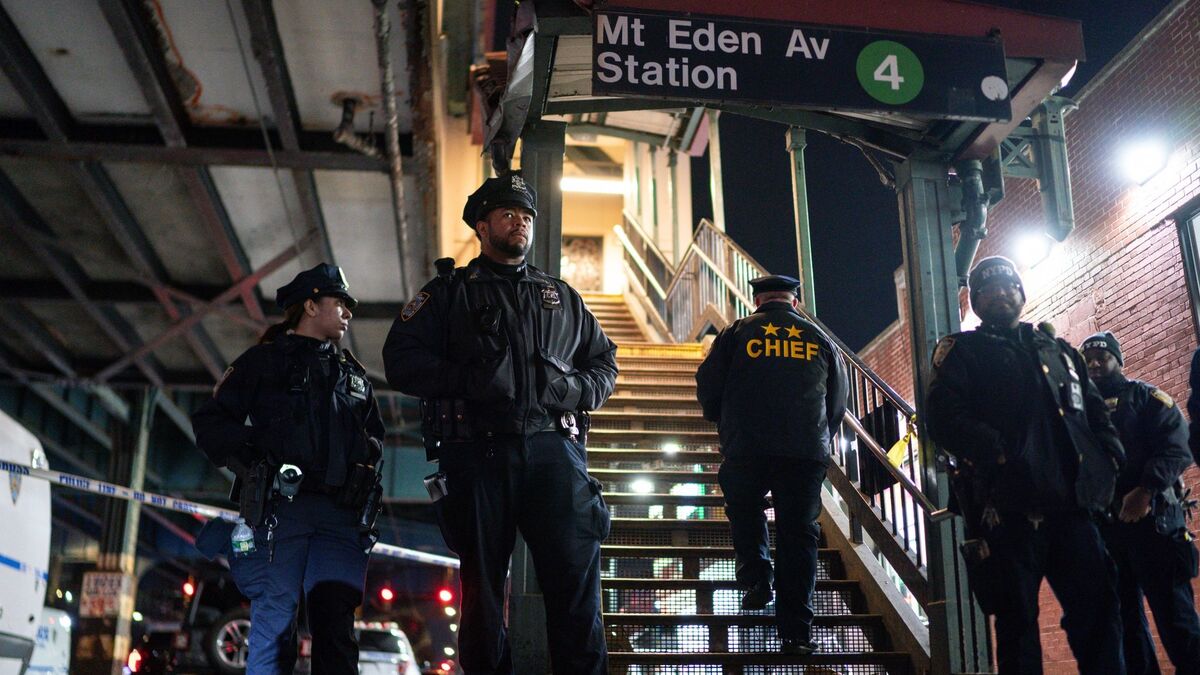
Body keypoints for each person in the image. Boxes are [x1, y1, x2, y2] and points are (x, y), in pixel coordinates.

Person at [381, 172, 618, 675]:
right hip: (478, 455)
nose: (521, 223)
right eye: (509, 214)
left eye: (527, 216)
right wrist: (469, 380)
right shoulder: (449, 294)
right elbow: (399, 360)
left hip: (556, 452)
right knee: (485, 592)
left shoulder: (561, 296)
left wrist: (572, 391)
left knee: (576, 584)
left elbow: (605, 363)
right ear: (483, 226)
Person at [925, 256, 1126, 674]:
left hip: (1076, 510)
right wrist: (998, 452)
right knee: (1018, 627)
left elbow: (1095, 412)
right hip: (1009, 512)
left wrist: (1109, 458)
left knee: (1101, 617)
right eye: (987, 289)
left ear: (1021, 293)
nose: (1000, 294)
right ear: (976, 302)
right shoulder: (964, 351)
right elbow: (943, 417)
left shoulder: (1059, 350)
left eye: (1007, 287)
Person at [191, 263, 386, 675]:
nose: (349, 312)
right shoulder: (263, 362)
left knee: (336, 627)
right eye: (340, 303)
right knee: (275, 622)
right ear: (311, 306)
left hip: (340, 517)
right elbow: (212, 422)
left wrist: (364, 469)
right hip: (282, 511)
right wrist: (253, 460)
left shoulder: (353, 376)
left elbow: (375, 438)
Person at [694, 274, 848, 655]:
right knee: (799, 535)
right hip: (804, 451)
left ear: (757, 301)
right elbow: (838, 401)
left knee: (745, 508)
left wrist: (720, 421)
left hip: (746, 446)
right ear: (794, 303)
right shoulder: (820, 338)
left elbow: (708, 384)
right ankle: (796, 633)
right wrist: (820, 437)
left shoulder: (735, 334)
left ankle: (756, 578)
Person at [1082, 331, 1200, 675]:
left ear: (1118, 360)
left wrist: (1145, 491)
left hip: (1155, 524)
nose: (1094, 365)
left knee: (1176, 619)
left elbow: (1178, 448)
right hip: (1108, 531)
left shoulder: (1147, 398)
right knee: (1126, 627)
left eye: (1102, 357)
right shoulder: (1080, 416)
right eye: (1087, 360)